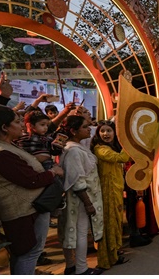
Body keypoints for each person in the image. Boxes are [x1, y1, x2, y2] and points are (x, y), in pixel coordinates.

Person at [0, 104, 64, 275]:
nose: (22, 125)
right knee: (28, 254)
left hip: (30, 209)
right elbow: (31, 180)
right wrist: (52, 172)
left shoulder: (4, 146)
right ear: (4, 127)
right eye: (17, 122)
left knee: (27, 253)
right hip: (25, 212)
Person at [59, 116, 103, 275]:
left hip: (82, 198)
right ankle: (81, 269)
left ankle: (72, 266)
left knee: (76, 232)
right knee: (80, 233)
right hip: (80, 200)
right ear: (73, 131)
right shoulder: (73, 151)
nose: (88, 129)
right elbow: (77, 180)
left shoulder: (76, 147)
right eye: (85, 127)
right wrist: (88, 203)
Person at [90, 120, 129, 270]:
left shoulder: (110, 148)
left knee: (116, 222)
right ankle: (106, 259)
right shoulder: (101, 150)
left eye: (109, 131)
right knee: (108, 224)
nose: (105, 134)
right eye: (102, 131)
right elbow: (122, 158)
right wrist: (129, 142)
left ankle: (114, 254)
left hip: (115, 190)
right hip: (107, 192)